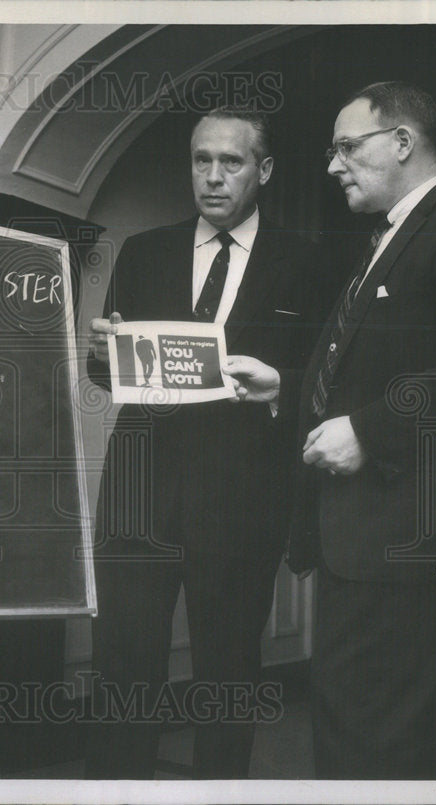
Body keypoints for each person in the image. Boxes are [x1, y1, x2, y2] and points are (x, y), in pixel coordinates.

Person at [226, 82, 436, 778]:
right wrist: (288, 386)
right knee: (385, 736)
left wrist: (373, 432)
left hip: (402, 544)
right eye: (331, 151)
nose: (332, 165)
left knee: (369, 735)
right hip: (364, 541)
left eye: (348, 146)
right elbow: (379, 369)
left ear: (404, 143)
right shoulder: (387, 240)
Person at [84, 108, 328, 779]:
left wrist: (280, 386)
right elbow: (107, 369)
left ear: (264, 169)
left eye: (232, 161)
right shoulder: (145, 250)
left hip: (242, 500)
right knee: (123, 666)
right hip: (139, 496)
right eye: (201, 160)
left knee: (228, 672)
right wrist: (101, 352)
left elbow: (328, 383)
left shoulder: (308, 263)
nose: (213, 176)